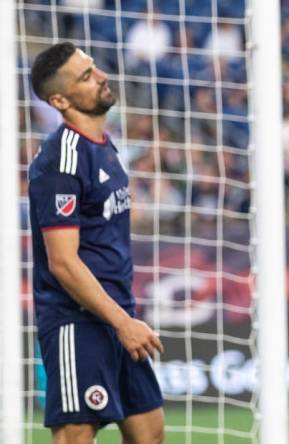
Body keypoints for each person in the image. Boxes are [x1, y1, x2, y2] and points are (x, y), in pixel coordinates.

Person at [28, 42, 164, 443]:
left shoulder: (106, 148)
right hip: (76, 321)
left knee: (149, 431)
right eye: (85, 75)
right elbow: (63, 263)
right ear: (60, 99)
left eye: (93, 68)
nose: (101, 76)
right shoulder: (62, 158)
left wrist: (124, 318)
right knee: (76, 435)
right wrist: (123, 323)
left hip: (117, 313)